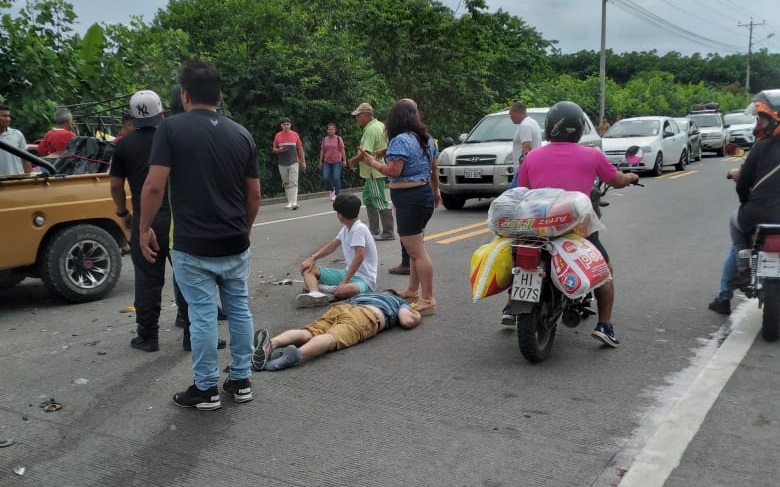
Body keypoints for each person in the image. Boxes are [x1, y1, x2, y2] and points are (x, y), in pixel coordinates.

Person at [139, 59, 261, 411]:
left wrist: (144, 228)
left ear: (185, 94)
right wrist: (246, 230)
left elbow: (153, 186)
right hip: (235, 240)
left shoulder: (171, 129)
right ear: (219, 96)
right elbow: (254, 195)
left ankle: (205, 388)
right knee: (239, 308)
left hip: (193, 246)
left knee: (203, 314)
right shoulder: (241, 134)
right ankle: (240, 381)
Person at [516, 101, 639, 347]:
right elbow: (615, 180)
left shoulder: (532, 157)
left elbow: (522, 191)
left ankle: (511, 305)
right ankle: (604, 326)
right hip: (575, 228)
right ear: (579, 128)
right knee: (605, 269)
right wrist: (631, 177)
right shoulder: (592, 155)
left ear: (550, 127)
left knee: (518, 261)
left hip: (538, 227)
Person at [358, 98, 441, 316]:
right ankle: (413, 290)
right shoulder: (426, 139)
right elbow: (434, 168)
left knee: (416, 251)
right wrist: (435, 192)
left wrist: (372, 163)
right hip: (423, 196)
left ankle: (428, 299)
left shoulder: (400, 140)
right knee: (415, 249)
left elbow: (393, 171)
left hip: (409, 198)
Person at [713, 91, 780, 318]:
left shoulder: (761, 148)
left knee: (736, 223)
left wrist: (745, 204)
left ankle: (728, 291)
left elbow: (744, 185)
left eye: (763, 119)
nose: (759, 123)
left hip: (757, 214)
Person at [251, 291, 421, 371]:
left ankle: (272, 343)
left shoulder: (369, 293)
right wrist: (416, 313)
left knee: (309, 332)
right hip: (367, 315)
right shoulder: (398, 301)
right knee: (332, 337)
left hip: (343, 307)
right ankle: (297, 354)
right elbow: (407, 321)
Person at [294, 194, 378, 308]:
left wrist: (344, 281)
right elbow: (332, 245)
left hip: (365, 280)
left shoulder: (359, 229)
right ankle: (315, 293)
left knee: (344, 291)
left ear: (340, 215)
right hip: (348, 273)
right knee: (307, 268)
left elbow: (359, 257)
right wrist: (312, 258)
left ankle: (320, 288)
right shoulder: (346, 228)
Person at [348, 102, 395, 241]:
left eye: (358, 115)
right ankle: (373, 229)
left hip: (373, 171)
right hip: (374, 170)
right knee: (368, 198)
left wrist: (352, 160)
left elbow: (365, 153)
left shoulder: (371, 130)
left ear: (365, 115)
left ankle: (388, 232)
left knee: (379, 200)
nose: (357, 118)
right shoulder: (380, 125)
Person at [273, 117, 306, 210]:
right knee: (286, 182)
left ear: (290, 125)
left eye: (288, 124)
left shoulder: (295, 135)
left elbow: (300, 149)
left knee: (294, 181)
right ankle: (289, 202)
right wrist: (279, 150)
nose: (286, 126)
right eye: (284, 124)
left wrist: (303, 161)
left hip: (294, 162)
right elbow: (274, 149)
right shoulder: (278, 135)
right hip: (282, 163)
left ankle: (294, 202)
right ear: (281, 126)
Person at [509, 102, 542, 187]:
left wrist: (523, 170)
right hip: (533, 166)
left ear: (518, 113)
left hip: (523, 169)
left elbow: (527, 148)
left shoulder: (525, 125)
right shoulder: (533, 122)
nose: (510, 117)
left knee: (515, 196)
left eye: (511, 114)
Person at [0, 104, 31, 175]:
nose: (8, 119)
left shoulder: (17, 134)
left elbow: (26, 159)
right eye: (4, 116)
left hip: (16, 181)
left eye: (9, 116)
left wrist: (30, 179)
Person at [318, 123, 347, 201]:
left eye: (332, 129)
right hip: (327, 161)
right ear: (327, 130)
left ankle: (336, 194)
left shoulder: (338, 138)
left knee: (336, 177)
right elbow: (322, 150)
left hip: (337, 161)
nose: (330, 130)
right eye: (329, 129)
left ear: (335, 130)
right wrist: (320, 161)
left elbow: (342, 149)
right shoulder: (325, 139)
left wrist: (344, 160)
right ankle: (332, 189)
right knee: (325, 178)